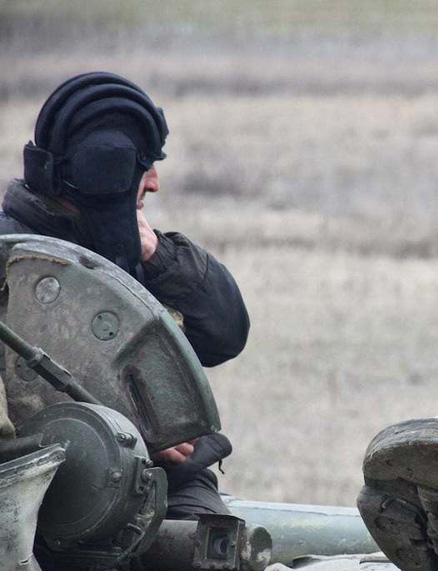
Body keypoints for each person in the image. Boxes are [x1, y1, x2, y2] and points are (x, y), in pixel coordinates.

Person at [0, 71, 250, 519]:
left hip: (155, 483)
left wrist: (160, 258)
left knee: (212, 546)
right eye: (143, 166)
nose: (153, 183)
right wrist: (133, 432)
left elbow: (224, 335)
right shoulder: (11, 259)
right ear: (105, 170)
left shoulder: (126, 249)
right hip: (31, 488)